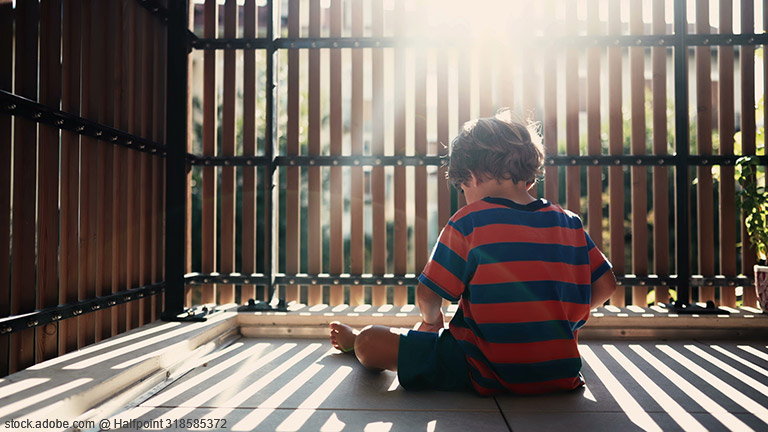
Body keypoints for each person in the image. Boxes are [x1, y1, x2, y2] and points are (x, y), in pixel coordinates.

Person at [330, 109, 617, 395]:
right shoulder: (569, 223)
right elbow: (607, 284)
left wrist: (431, 323)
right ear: (529, 178)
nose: (465, 196)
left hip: (480, 366)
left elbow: (429, 294)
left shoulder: (469, 221)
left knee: (371, 341)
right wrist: (557, 318)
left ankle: (354, 340)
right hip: (558, 372)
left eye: (463, 187)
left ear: (472, 176)